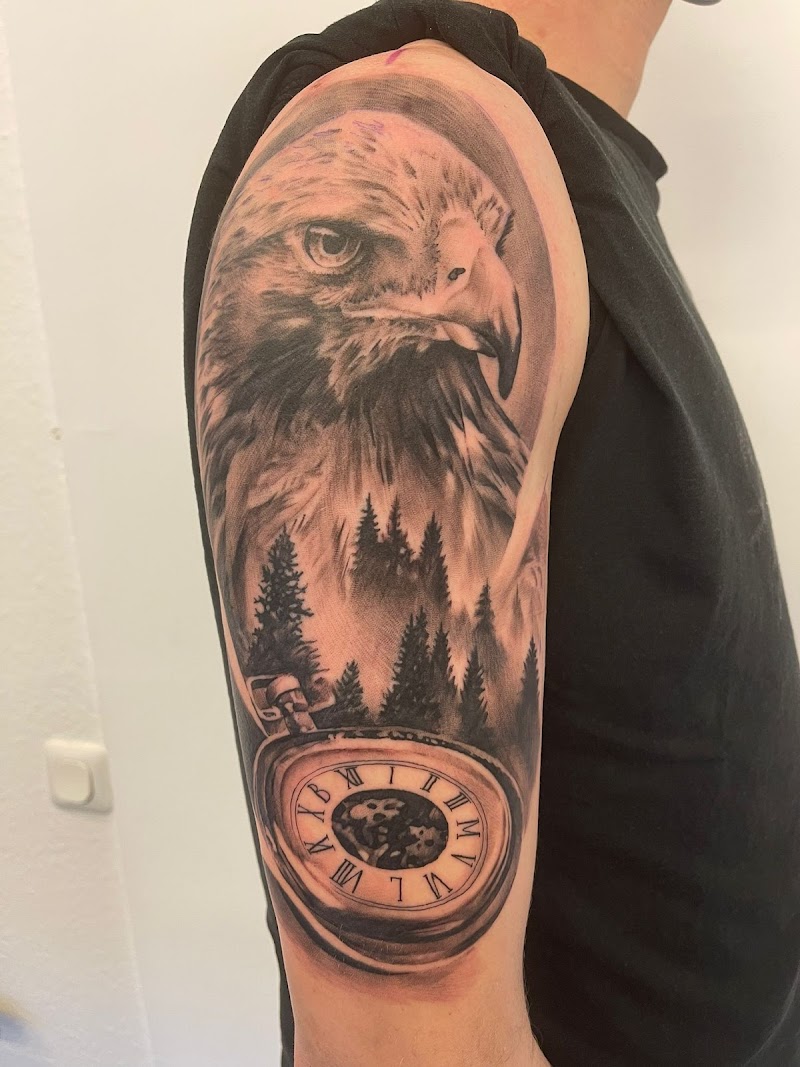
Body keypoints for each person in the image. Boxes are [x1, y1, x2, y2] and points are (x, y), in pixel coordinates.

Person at [183, 2, 800, 1064]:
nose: (479, 278)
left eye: (483, 245)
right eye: (336, 246)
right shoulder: (419, 102)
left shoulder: (555, 151)